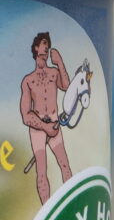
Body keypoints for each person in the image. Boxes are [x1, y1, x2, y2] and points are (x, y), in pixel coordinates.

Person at [19, 31, 74, 204]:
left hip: (55, 124)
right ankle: (47, 209)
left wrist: (60, 63)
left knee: (64, 164)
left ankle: (72, 203)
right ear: (36, 47)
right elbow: (26, 115)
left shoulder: (54, 73)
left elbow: (67, 87)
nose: (46, 47)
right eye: (43, 43)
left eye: (47, 44)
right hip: (38, 129)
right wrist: (44, 126)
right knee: (42, 171)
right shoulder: (28, 80)